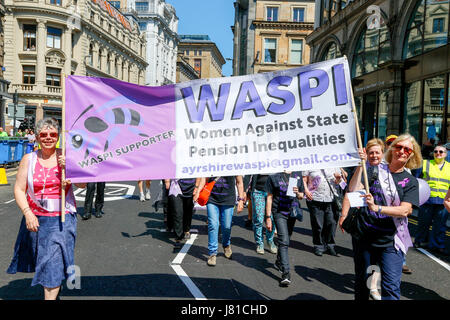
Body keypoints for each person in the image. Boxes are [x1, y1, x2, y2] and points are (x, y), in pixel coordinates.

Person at [6, 118, 86, 300]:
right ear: (36, 136)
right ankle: (54, 288)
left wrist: (72, 172)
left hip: (62, 220)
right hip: (36, 218)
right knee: (43, 260)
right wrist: (27, 213)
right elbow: (19, 189)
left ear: (58, 137)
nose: (48, 138)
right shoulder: (29, 159)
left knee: (52, 261)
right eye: (44, 134)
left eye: (53, 134)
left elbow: (83, 184)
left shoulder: (66, 156)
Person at [347, 133, 421, 300]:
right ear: (392, 149)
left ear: (412, 154)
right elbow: (353, 189)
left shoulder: (410, 182)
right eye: (398, 147)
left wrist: (378, 208)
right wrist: (361, 165)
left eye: (407, 149)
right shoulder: (374, 170)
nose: (402, 151)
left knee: (390, 288)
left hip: (391, 241)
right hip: (365, 237)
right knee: (363, 284)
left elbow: (404, 211)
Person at [339, 138, 385, 300]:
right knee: (362, 267)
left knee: (377, 262)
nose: (374, 155)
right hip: (362, 226)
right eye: (370, 152)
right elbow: (351, 190)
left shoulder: (387, 171)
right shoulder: (363, 168)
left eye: (377, 152)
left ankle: (373, 286)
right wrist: (360, 164)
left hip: (381, 225)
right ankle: (363, 293)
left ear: (382, 153)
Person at [265, 171, 304, 286]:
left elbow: (301, 196)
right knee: (284, 241)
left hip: (292, 211)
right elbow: (269, 197)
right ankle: (286, 273)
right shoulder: (273, 175)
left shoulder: (297, 174)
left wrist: (298, 193)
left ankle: (279, 261)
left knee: (287, 238)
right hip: (279, 212)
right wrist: (268, 217)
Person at [195, 176, 245, 267]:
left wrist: (241, 200)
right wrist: (198, 191)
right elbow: (204, 178)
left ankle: (226, 244)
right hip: (212, 198)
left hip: (228, 199)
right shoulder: (210, 161)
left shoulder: (234, 162)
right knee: (213, 225)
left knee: (226, 226)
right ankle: (212, 253)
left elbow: (239, 182)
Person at [413, 145, 450, 255]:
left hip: (444, 201)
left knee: (440, 225)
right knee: (424, 223)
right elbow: (417, 181)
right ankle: (420, 241)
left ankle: (438, 245)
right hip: (427, 199)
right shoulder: (425, 164)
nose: (438, 153)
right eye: (436, 151)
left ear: (446, 154)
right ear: (433, 153)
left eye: (441, 151)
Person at [303, 167, 346, 257]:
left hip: (331, 200)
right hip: (315, 198)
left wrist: (338, 179)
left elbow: (340, 183)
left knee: (331, 224)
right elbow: (304, 178)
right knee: (318, 225)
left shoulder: (334, 164)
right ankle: (318, 246)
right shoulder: (310, 163)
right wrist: (306, 190)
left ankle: (330, 245)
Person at [165, 178, 200, 249]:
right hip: (176, 187)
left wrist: (196, 187)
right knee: (177, 213)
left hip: (190, 188)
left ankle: (186, 230)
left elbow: (198, 173)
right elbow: (168, 167)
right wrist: (167, 181)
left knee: (188, 211)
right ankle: (178, 237)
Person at [249, 174, 277, 254]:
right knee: (258, 218)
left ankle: (270, 240)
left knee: (272, 218)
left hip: (273, 192)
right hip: (258, 191)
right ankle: (259, 243)